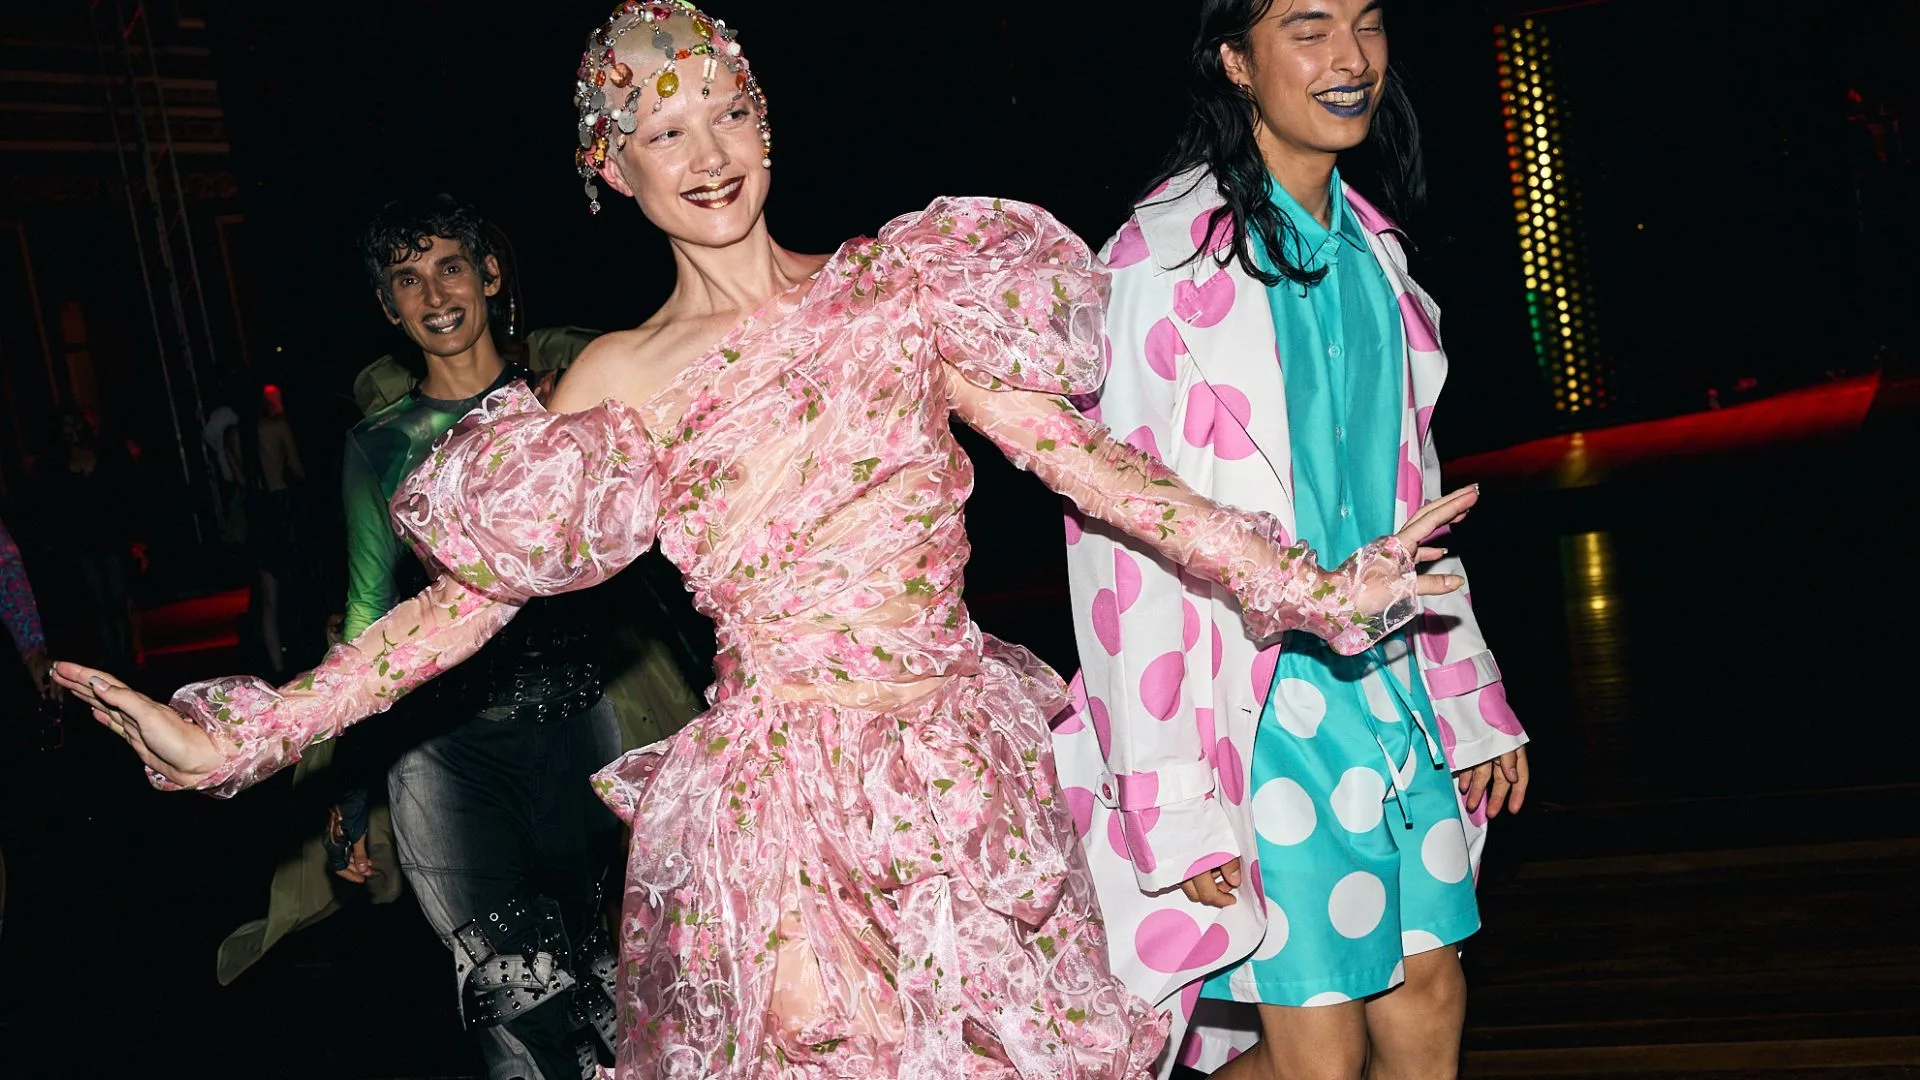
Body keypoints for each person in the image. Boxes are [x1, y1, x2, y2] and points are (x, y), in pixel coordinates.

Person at [56, 4, 1479, 1076]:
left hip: (964, 782)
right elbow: (460, 606)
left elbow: (1091, 466)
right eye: (661, 130)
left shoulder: (900, 290)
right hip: (779, 820)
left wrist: (1308, 585)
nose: (707, 154)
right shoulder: (616, 378)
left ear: (766, 122)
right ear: (609, 168)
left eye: (725, 112)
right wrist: (248, 736)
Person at [1056, 3, 1530, 1077]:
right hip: (1256, 705)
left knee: (1429, 996)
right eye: (1308, 28)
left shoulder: (1374, 252)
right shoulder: (1156, 268)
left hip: (1388, 684)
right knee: (1321, 1046)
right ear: (1234, 58)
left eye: (1365, 22)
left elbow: (1412, 507)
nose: (1351, 59)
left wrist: (1467, 691)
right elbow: (1119, 552)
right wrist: (1170, 799)